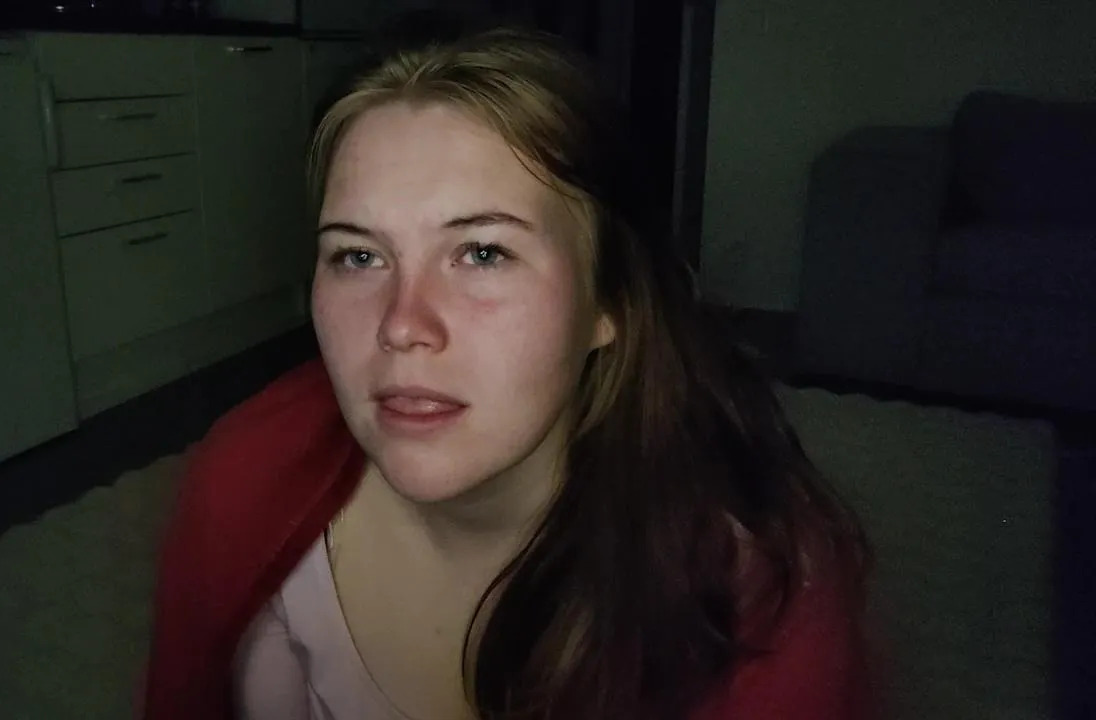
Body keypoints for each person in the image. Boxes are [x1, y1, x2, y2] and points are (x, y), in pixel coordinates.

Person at [142, 27, 872, 720]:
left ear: (610, 302)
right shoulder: (241, 477)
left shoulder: (755, 598)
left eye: (483, 253)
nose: (401, 325)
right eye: (358, 256)